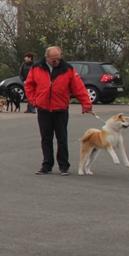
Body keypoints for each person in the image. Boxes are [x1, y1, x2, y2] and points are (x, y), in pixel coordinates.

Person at [24, 46, 93, 176]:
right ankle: (47, 165)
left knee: (62, 138)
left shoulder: (68, 69)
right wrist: (34, 100)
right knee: (46, 138)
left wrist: (86, 104)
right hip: (43, 108)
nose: (57, 62)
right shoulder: (36, 68)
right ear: (47, 58)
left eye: (59, 59)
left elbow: (79, 87)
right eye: (54, 59)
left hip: (60, 108)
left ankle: (64, 166)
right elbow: (29, 85)